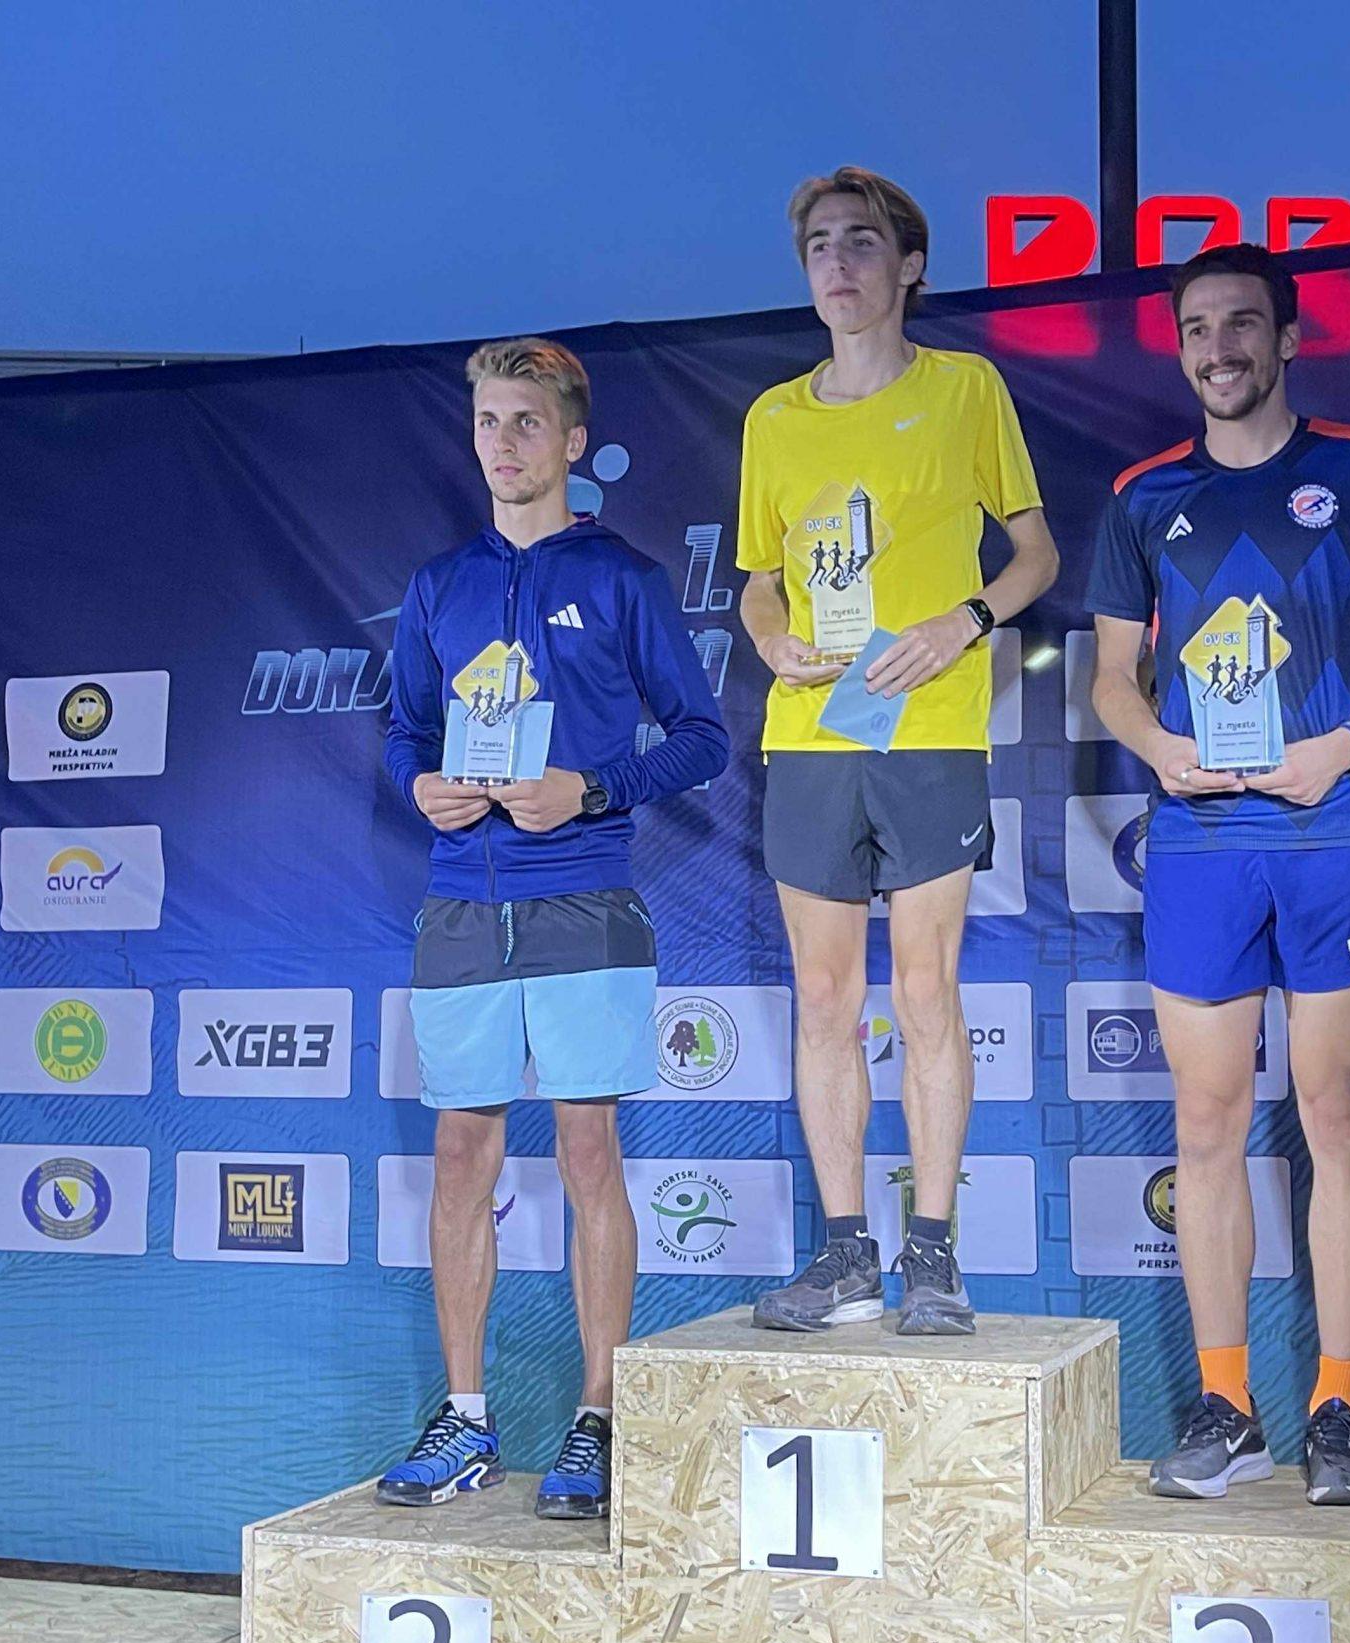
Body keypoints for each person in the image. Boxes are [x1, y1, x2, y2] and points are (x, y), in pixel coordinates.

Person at [1086, 243, 1350, 1505]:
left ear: (1287, 339)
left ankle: (1339, 1411)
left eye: (1243, 324)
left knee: (1337, 1113)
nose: (1220, 347)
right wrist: (1161, 752)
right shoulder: (1142, 496)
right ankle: (1228, 1408)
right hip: (1200, 842)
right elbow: (1110, 680)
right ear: (1180, 347)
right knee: (1204, 1127)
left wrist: (1345, 743)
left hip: (1331, 831)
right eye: (1199, 327)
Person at [378, 337, 728, 1517]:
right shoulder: (439, 585)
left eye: (526, 421)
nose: (504, 441)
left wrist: (591, 788)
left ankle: (599, 1420)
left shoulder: (623, 579)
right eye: (488, 420)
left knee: (587, 1153)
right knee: (459, 1159)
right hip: (462, 901)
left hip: (583, 893)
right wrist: (420, 786)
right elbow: (404, 732)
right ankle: (466, 1418)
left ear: (573, 441)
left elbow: (702, 737)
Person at [736, 166, 1058, 1336]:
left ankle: (933, 1254)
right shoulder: (774, 418)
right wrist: (771, 639)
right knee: (824, 997)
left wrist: (963, 620)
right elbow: (758, 583)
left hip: (928, 730)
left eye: (861, 241)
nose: (838, 262)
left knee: (926, 990)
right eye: (820, 243)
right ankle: (841, 1256)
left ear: (909, 265)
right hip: (812, 734)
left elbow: (1035, 556)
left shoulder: (966, 389)